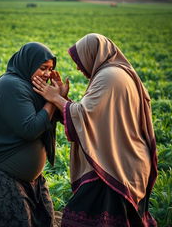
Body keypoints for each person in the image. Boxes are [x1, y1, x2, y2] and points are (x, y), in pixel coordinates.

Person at [32, 33, 158, 226]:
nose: (78, 66)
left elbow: (85, 116)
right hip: (119, 159)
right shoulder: (116, 72)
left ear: (93, 54)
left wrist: (55, 98)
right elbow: (94, 119)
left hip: (114, 165)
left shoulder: (109, 77)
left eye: (79, 60)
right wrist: (62, 99)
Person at [0, 42, 67, 227]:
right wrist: (52, 101)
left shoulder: (36, 88)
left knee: (43, 219)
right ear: (28, 63)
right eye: (43, 68)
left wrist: (60, 97)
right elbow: (30, 129)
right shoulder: (11, 86)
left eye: (51, 69)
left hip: (24, 177)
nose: (47, 74)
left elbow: (63, 118)